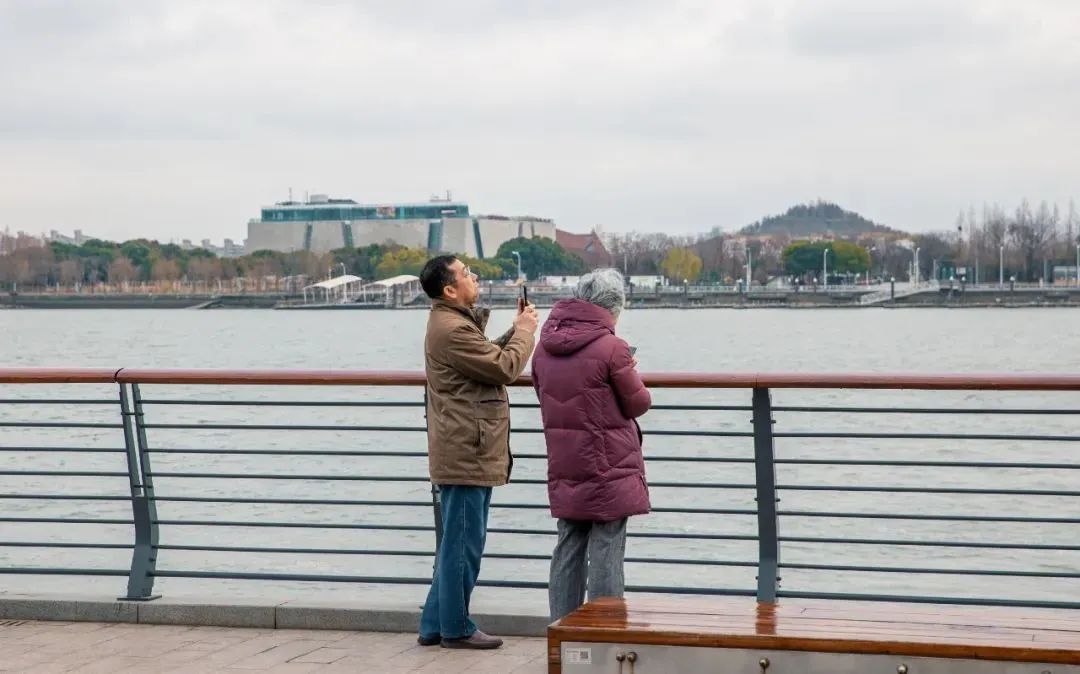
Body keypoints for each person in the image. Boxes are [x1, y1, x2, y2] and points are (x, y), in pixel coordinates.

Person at [417, 255, 539, 649]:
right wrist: (525, 334)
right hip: (467, 449)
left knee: (455, 542)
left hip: (464, 446)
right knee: (463, 545)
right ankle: (456, 628)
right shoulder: (452, 329)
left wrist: (515, 330)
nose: (474, 277)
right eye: (466, 273)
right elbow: (504, 368)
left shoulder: (449, 323)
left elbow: (484, 358)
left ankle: (434, 624)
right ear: (449, 289)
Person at [531, 268, 652, 622]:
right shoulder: (613, 348)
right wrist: (630, 369)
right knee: (607, 545)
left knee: (568, 542)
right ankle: (603, 632)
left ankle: (561, 630)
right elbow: (638, 403)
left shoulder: (543, 348)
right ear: (613, 308)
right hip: (609, 463)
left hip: (566, 460)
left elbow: (545, 393)